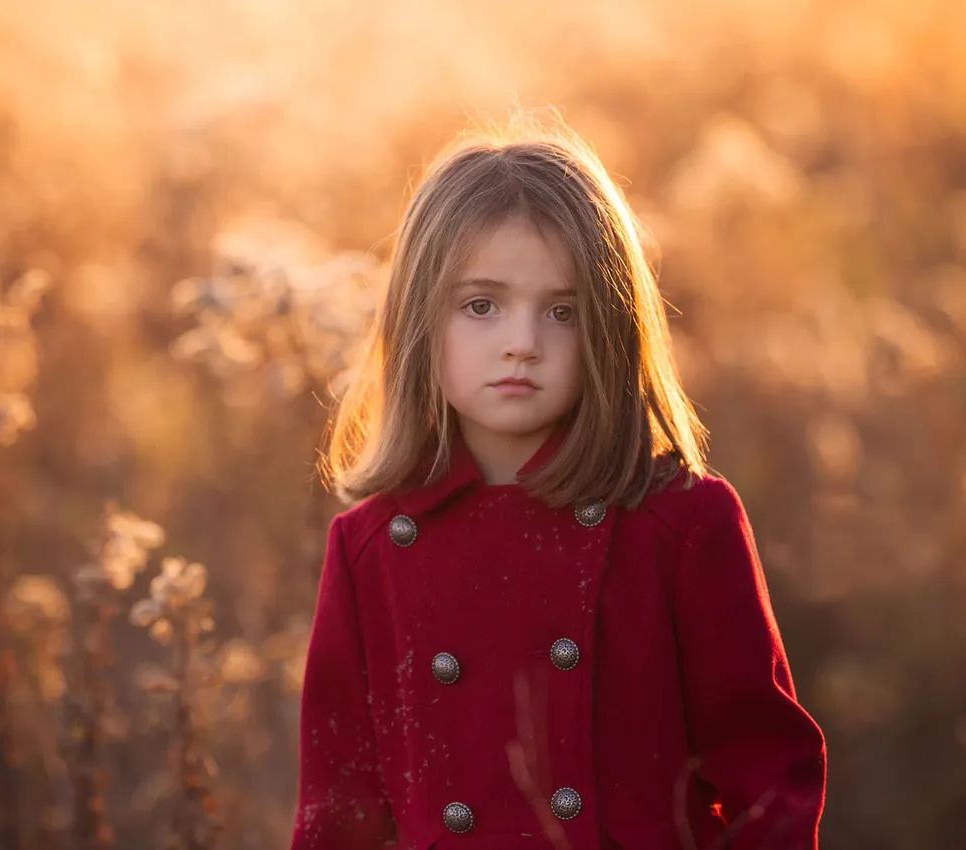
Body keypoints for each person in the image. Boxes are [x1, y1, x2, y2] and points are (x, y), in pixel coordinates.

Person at [291, 120, 827, 850]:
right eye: (481, 305)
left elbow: (768, 786)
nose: (522, 342)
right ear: (419, 320)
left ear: (611, 328)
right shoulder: (370, 548)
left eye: (562, 311)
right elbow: (337, 813)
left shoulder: (680, 522)